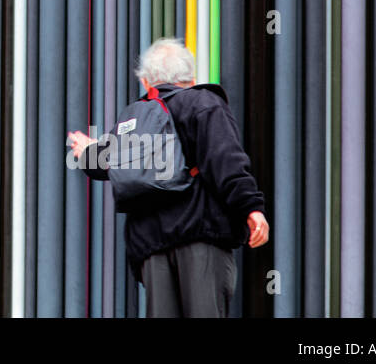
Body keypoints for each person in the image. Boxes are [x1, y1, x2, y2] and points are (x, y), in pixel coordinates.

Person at [67, 37, 270, 317]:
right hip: (201, 236)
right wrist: (251, 207)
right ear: (191, 77)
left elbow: (104, 162)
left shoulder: (133, 120)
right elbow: (225, 160)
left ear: (147, 82)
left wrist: (86, 150)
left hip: (151, 249)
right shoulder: (203, 103)